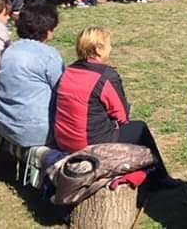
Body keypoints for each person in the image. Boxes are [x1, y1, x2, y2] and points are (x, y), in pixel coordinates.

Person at [54, 27, 180, 187]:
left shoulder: (69, 71)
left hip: (64, 139)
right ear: (99, 49)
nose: (111, 48)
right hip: (88, 142)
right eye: (109, 45)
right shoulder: (105, 76)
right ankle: (159, 178)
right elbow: (122, 116)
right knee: (139, 129)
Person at [0, 4, 65, 147]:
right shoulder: (49, 55)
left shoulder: (9, 50)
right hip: (37, 130)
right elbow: (62, 89)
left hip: (5, 123)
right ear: (47, 30)